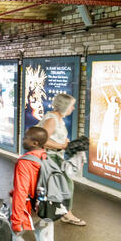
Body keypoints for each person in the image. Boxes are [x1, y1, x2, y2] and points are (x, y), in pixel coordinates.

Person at [37, 93, 85, 226]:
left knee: (60, 185)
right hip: (50, 157)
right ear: (65, 106)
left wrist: (64, 143)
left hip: (55, 156)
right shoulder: (52, 119)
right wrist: (61, 145)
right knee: (67, 184)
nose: (73, 108)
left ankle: (62, 212)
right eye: (72, 106)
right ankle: (66, 214)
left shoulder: (58, 118)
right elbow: (42, 140)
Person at [10, 126, 54, 241]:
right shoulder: (47, 157)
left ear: (35, 143)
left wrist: (16, 222)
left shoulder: (24, 162)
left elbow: (21, 192)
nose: (23, 139)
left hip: (31, 210)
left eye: (25, 137)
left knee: (15, 236)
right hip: (47, 208)